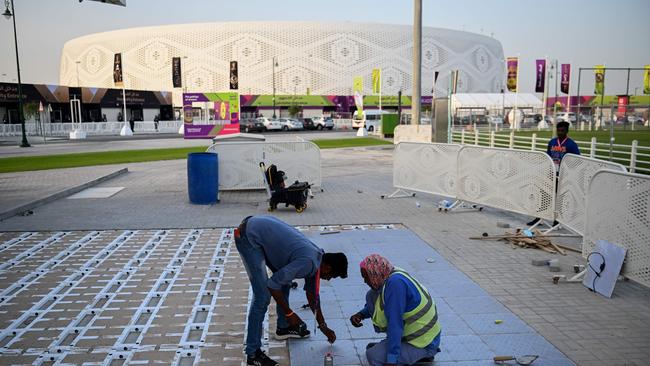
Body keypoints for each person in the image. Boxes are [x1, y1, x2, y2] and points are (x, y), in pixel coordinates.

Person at [234, 215, 348, 366]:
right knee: (262, 297)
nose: (328, 279)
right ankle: (253, 353)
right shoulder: (308, 262)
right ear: (327, 267)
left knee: (285, 282)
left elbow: (313, 297)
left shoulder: (317, 259)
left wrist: (323, 327)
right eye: (332, 276)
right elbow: (273, 284)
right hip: (248, 236)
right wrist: (290, 313)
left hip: (259, 227)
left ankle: (283, 327)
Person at [349, 254, 441, 366]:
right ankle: (407, 353)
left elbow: (395, 325)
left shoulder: (395, 285)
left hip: (423, 343)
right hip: (418, 338)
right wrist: (361, 314)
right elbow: (381, 302)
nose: (364, 281)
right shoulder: (390, 273)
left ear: (375, 273)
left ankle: (423, 355)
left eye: (365, 276)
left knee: (373, 355)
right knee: (371, 295)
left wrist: (391, 360)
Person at [527, 121, 580, 226]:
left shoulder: (571, 144)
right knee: (544, 194)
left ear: (567, 131)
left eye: (562, 131)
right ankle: (539, 218)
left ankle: (557, 221)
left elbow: (576, 160)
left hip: (563, 175)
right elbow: (548, 157)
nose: (560, 133)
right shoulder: (552, 142)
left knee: (560, 197)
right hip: (551, 173)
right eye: (558, 130)